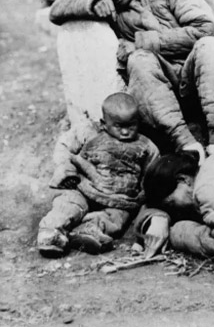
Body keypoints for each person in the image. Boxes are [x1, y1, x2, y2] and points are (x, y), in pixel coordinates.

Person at [49, 0, 214, 161]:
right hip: (160, 95)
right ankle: (186, 144)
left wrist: (142, 42)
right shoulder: (108, 0)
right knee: (139, 60)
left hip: (201, 77)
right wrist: (93, 2)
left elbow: (206, 30)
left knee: (210, 46)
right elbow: (56, 10)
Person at [37, 93, 159, 257]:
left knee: (117, 219)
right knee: (70, 203)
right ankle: (52, 232)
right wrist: (67, 171)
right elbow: (68, 152)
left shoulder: (146, 146)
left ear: (139, 123)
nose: (125, 132)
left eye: (131, 126)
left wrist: (142, 194)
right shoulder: (92, 136)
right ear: (104, 124)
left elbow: (152, 173)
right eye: (118, 126)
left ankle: (90, 230)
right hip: (86, 188)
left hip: (119, 199)